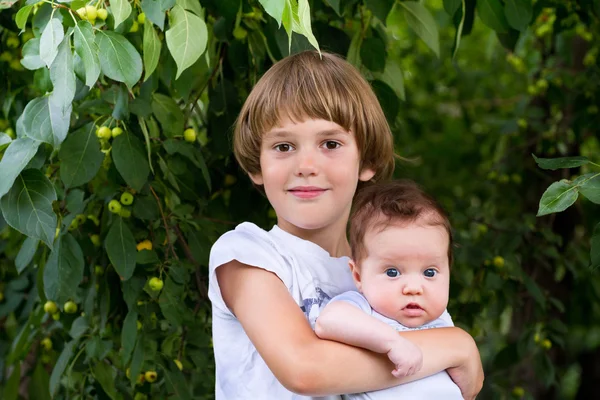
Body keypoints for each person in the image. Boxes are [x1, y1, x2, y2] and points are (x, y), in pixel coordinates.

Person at [208, 50, 483, 400]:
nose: (306, 164)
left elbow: (465, 384)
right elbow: (306, 370)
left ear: (366, 160)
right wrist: (457, 344)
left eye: (331, 144)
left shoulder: (385, 269)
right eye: (284, 145)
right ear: (256, 165)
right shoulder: (246, 254)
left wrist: (454, 349)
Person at [315, 180, 463, 399]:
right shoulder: (362, 308)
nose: (414, 288)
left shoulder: (442, 321)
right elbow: (328, 322)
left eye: (430, 273)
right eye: (393, 272)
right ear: (358, 276)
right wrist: (392, 342)